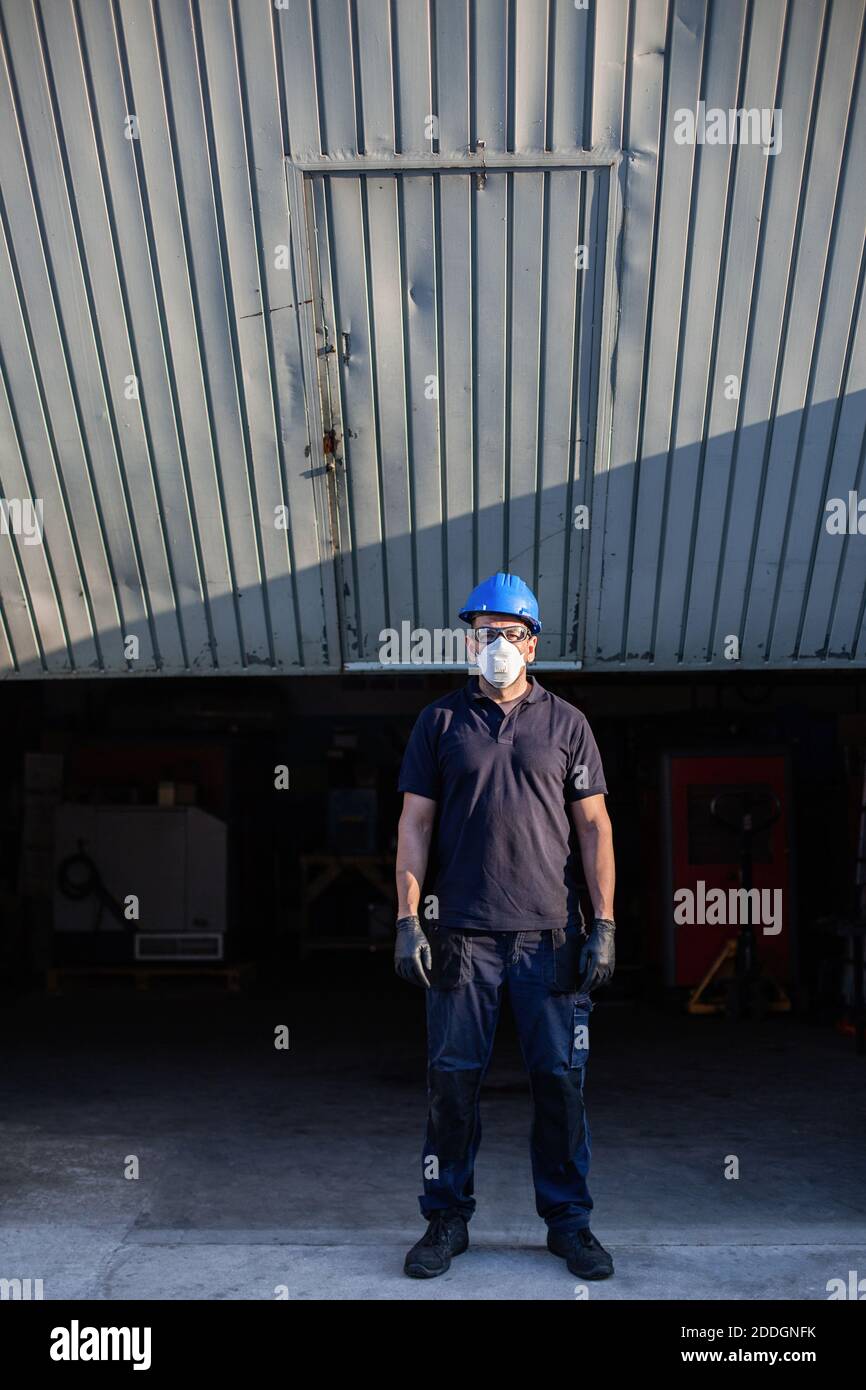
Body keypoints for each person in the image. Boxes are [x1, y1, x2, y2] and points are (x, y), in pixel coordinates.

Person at [394, 571, 616, 1281]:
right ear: (471, 640)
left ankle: (570, 1224)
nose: (498, 646)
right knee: (452, 1083)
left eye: (511, 635)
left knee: (559, 1081)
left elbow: (595, 827)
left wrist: (605, 922)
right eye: (486, 634)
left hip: (550, 937)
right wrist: (407, 920)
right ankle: (444, 1219)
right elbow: (414, 824)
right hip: (460, 935)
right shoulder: (440, 723)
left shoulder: (568, 724)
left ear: (534, 644)